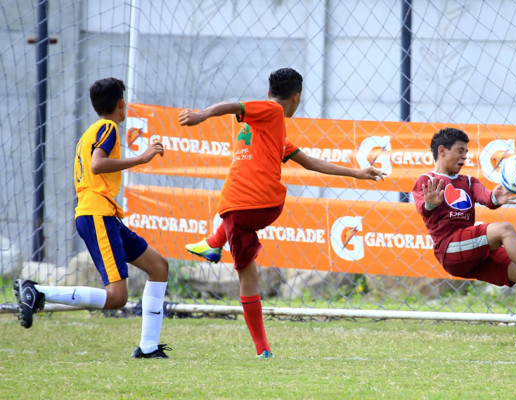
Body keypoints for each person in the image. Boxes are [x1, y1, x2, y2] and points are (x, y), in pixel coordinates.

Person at [179, 67, 386, 358]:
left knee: (244, 267)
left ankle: (214, 242)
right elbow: (233, 105)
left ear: (269, 92)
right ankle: (262, 348)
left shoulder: (264, 128)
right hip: (257, 205)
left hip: (241, 206)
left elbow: (310, 162)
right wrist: (202, 115)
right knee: (248, 276)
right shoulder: (273, 111)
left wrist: (356, 172)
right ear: (297, 97)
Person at [14, 77, 172, 359]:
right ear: (121, 104)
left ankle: (148, 347)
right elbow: (98, 165)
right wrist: (142, 158)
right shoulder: (108, 127)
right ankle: (37, 292)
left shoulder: (91, 131)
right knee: (117, 297)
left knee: (159, 267)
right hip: (97, 214)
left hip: (104, 214)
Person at [412, 127, 516, 348]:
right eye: (460, 151)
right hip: (450, 248)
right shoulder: (427, 179)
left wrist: (496, 197)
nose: (465, 156)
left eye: (466, 151)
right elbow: (424, 206)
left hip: (470, 250)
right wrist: (432, 202)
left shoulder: (468, 182)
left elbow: (486, 197)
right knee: (505, 229)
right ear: (442, 151)